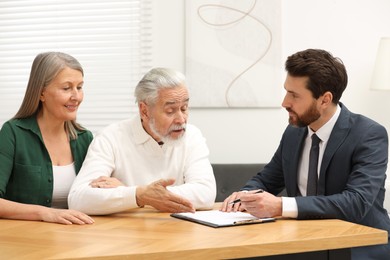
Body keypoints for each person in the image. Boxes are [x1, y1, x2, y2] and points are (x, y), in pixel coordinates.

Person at [221, 49, 390, 259]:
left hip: (357, 247)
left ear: (324, 100)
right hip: (305, 244)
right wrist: (244, 195)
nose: (284, 102)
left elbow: (356, 202)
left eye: (294, 95)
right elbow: (267, 179)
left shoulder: (369, 134)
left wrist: (280, 206)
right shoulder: (294, 131)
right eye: (286, 91)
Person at [68, 67, 216, 215]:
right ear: (144, 110)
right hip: (124, 234)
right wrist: (140, 195)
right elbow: (78, 199)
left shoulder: (192, 135)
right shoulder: (110, 137)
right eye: (170, 111)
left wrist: (134, 193)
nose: (181, 119)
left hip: (177, 230)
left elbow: (206, 193)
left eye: (184, 108)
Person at [0, 52, 94, 225]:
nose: (76, 97)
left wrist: (114, 185)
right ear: (41, 93)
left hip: (76, 242)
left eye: (79, 87)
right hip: (26, 243)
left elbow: (95, 195)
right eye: (66, 88)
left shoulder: (85, 138)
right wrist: (45, 213)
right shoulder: (12, 133)